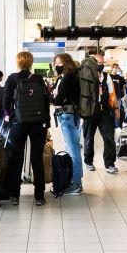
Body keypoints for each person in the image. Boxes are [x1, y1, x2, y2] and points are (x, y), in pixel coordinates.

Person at [3, 51, 51, 207]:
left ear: (18, 63)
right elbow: (46, 101)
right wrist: (46, 122)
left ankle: (14, 195)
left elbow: (6, 101)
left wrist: (8, 116)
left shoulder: (12, 78)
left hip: (19, 123)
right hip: (38, 123)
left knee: (17, 158)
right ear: (31, 63)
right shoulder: (38, 79)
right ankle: (39, 196)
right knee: (37, 159)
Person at [83, 52, 119, 174]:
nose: (101, 65)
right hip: (89, 111)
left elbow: (112, 95)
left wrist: (116, 108)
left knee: (109, 137)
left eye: (103, 63)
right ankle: (88, 161)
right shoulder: (86, 75)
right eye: (99, 63)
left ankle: (110, 163)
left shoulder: (106, 77)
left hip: (104, 111)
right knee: (88, 138)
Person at [52, 53, 83, 194]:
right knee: (72, 148)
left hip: (68, 116)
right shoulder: (72, 76)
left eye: (58, 63)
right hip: (73, 116)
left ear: (65, 63)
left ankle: (76, 183)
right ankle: (74, 181)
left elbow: (58, 100)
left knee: (73, 151)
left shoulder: (68, 78)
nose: (56, 65)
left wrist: (53, 99)